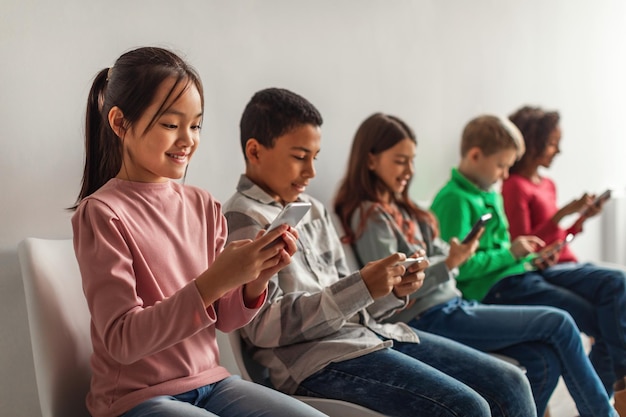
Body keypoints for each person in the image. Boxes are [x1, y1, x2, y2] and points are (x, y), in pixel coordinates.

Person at [223, 87, 539, 417]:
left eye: (314, 158)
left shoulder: (311, 208)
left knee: (511, 382)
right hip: (316, 362)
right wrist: (361, 287)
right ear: (255, 152)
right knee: (466, 407)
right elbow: (263, 329)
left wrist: (390, 291)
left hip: (368, 335)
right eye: (300, 157)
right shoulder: (244, 217)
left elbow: (346, 298)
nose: (311, 172)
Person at [71, 47, 327, 417]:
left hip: (213, 382)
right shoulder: (101, 213)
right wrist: (214, 281)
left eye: (196, 125)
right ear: (120, 123)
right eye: (171, 125)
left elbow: (224, 318)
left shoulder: (203, 205)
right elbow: (122, 340)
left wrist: (257, 278)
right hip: (138, 398)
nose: (188, 139)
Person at [333, 112, 616, 417]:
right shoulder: (372, 216)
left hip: (452, 305)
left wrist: (457, 256)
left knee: (542, 359)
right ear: (371, 160)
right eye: (401, 161)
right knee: (560, 322)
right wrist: (452, 262)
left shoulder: (405, 209)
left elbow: (441, 255)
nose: (410, 171)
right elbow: (392, 288)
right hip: (427, 315)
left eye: (412, 161)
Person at [430, 113, 622, 416]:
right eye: (501, 166)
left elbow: (505, 252)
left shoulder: (487, 194)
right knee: (579, 322)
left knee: (601, 319)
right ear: (475, 155)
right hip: (496, 290)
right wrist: (512, 255)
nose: (505, 175)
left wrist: (531, 258)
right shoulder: (453, 199)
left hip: (520, 279)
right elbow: (459, 268)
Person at [503, 105, 626, 409]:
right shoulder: (513, 186)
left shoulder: (547, 184)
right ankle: (621, 381)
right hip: (542, 269)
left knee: (612, 320)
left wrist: (580, 219)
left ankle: (601, 402)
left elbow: (559, 236)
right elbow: (526, 244)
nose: (557, 151)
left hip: (567, 262)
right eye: (552, 142)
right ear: (533, 142)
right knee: (617, 283)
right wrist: (562, 213)